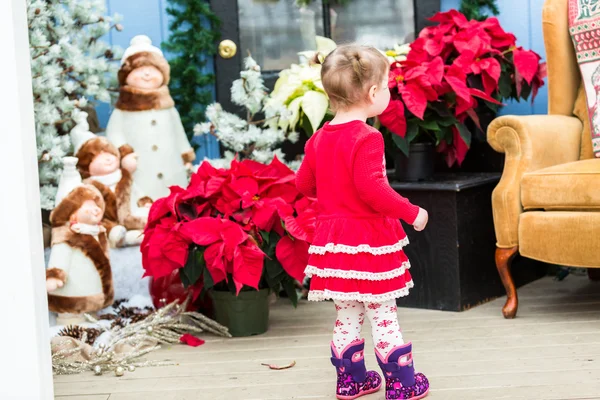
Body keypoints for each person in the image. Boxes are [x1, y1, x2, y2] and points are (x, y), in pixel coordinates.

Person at [296, 44, 430, 400]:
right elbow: (373, 191)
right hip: (369, 241)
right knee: (383, 313)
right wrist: (412, 212)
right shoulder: (367, 138)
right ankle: (402, 384)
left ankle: (351, 380)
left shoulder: (318, 138)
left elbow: (304, 185)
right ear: (373, 93)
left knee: (348, 313)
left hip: (333, 243)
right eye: (386, 86)